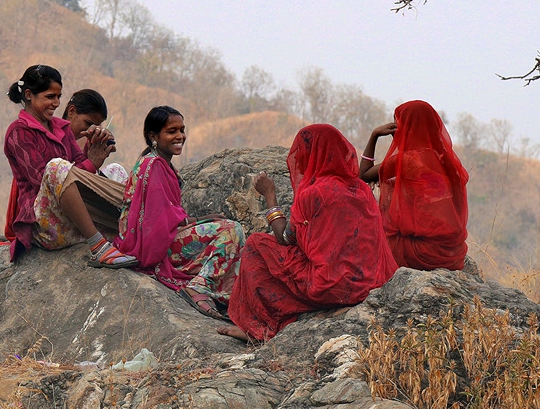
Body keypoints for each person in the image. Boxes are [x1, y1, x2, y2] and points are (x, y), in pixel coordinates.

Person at [221, 124, 398, 342]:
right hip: (367, 285)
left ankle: (257, 327)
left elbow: (284, 239)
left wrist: (270, 195)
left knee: (257, 244)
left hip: (329, 288)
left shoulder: (313, 193)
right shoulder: (360, 189)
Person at [115, 106, 245, 318]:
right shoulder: (153, 165)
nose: (180, 136)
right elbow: (155, 222)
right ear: (153, 136)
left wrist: (199, 221)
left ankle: (215, 291)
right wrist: (196, 221)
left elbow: (166, 213)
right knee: (232, 230)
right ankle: (199, 288)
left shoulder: (163, 164)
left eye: (182, 130)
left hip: (163, 238)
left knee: (235, 242)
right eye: (171, 131)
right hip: (151, 246)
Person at [2, 66, 136, 266]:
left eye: (58, 96)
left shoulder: (61, 127)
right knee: (56, 166)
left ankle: (132, 231)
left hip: (72, 216)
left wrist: (94, 154)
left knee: (116, 170)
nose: (56, 103)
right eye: (49, 97)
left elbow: (78, 167)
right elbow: (42, 180)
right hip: (45, 224)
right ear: (29, 95)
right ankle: (98, 246)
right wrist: (90, 163)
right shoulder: (19, 132)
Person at [359, 100, 470, 271]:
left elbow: (364, 175)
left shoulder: (407, 159)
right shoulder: (444, 159)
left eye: (397, 124)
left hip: (423, 254)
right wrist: (392, 183)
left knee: (373, 240)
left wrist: (374, 135)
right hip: (452, 254)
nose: (394, 130)